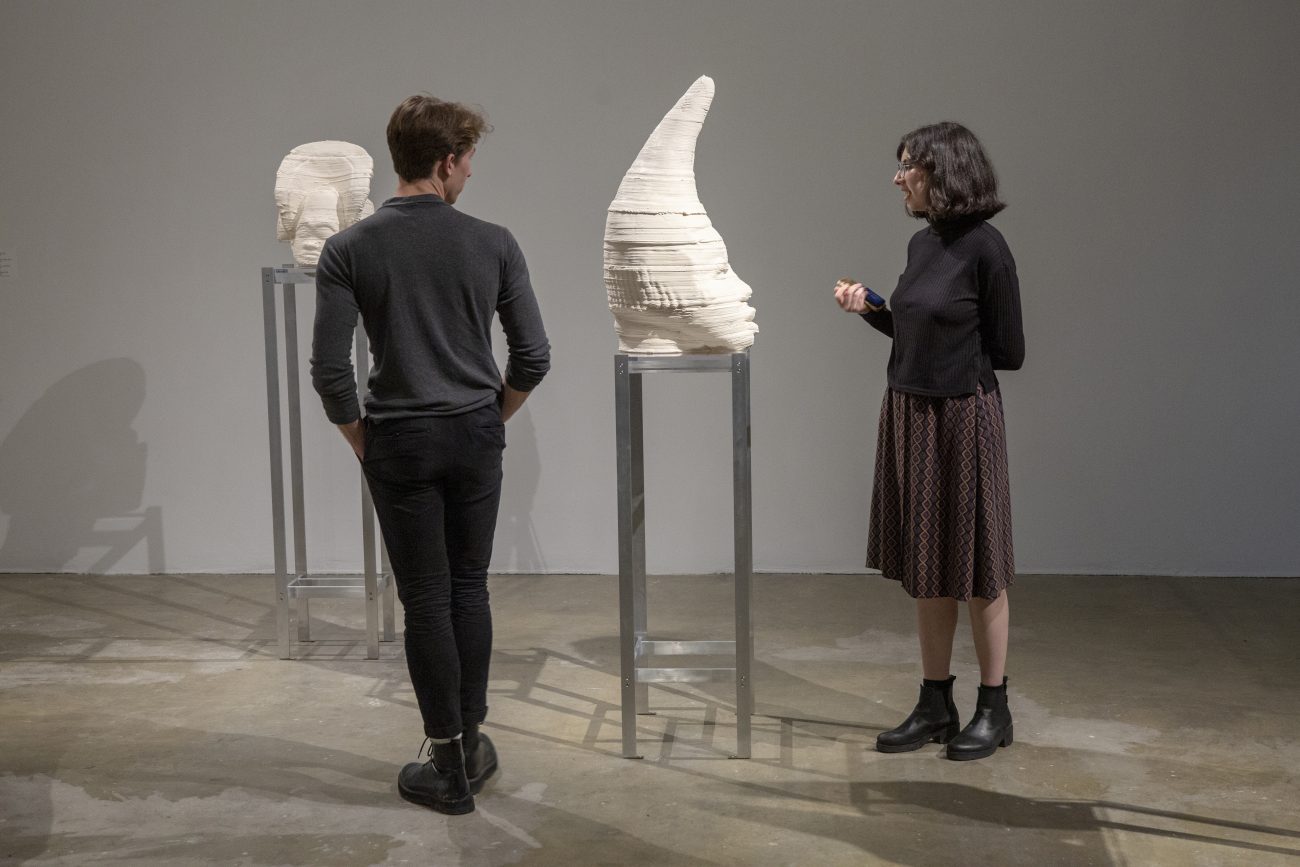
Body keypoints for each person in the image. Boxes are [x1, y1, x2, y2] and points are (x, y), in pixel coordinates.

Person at [310, 95, 550, 812]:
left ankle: (447, 762)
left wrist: (365, 441)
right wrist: (490, 415)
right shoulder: (494, 241)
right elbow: (533, 356)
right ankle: (471, 742)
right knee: (468, 587)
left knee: (425, 597)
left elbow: (330, 371)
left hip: (400, 440)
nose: (471, 172)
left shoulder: (349, 248)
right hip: (474, 431)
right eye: (469, 160)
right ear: (446, 162)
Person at [834, 122, 1024, 761]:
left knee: (979, 567)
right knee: (928, 565)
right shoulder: (921, 246)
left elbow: (1009, 351)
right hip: (911, 414)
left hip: (965, 419)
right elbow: (921, 333)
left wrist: (954, 368)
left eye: (908, 166)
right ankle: (935, 701)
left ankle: (993, 709)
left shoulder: (987, 249)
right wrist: (875, 311)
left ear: (944, 171)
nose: (898, 178)